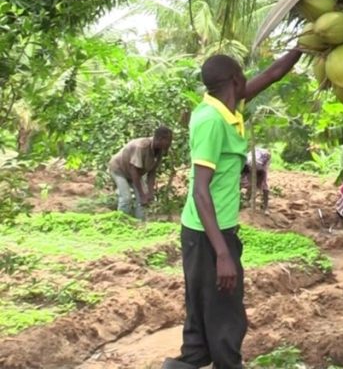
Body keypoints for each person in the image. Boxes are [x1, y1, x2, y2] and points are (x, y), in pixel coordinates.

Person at [162, 49, 300, 369]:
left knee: (200, 327)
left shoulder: (227, 106)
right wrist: (222, 253)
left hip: (203, 233)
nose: (249, 82)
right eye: (244, 77)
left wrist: (302, 47)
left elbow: (271, 75)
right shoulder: (211, 121)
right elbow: (200, 190)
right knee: (226, 319)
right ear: (236, 80)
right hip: (209, 235)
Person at [107, 126, 173, 220]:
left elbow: (152, 171)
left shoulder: (159, 151)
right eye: (169, 140)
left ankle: (140, 224)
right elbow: (134, 170)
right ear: (160, 139)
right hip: (119, 169)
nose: (170, 143)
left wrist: (150, 192)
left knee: (144, 199)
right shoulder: (141, 146)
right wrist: (142, 195)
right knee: (126, 198)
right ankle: (120, 223)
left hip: (134, 173)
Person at [240, 147, 272, 212]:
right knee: (250, 183)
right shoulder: (243, 164)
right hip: (256, 157)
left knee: (263, 184)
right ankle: (247, 199)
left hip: (263, 161)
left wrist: (258, 183)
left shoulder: (254, 165)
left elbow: (261, 173)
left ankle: (265, 207)